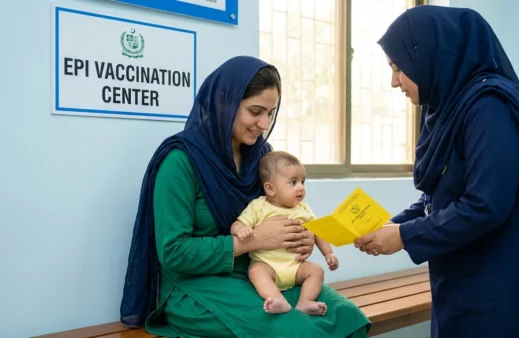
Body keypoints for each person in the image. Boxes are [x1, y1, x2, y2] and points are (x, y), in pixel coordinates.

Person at [353, 5, 519, 338]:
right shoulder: (447, 107)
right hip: (468, 280)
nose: (393, 82)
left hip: (509, 285)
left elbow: (485, 204)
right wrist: (395, 223)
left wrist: (403, 237)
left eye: (399, 68)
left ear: (429, 54)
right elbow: (441, 194)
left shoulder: (490, 106)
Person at [119, 56, 371, 338]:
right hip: (195, 287)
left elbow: (279, 211)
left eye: (271, 113)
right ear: (224, 104)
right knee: (297, 332)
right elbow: (173, 252)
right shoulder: (181, 161)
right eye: (255, 111)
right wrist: (255, 240)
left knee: (349, 320)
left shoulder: (261, 157)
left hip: (263, 275)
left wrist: (302, 239)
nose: (264, 123)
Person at [231, 150, 339, 316]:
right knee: (255, 272)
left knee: (317, 271)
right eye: (293, 182)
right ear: (270, 188)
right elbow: (237, 224)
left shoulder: (303, 209)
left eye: (303, 182)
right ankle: (277, 299)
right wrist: (241, 229)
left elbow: (318, 231)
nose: (301, 188)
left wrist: (328, 253)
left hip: (296, 267)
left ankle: (305, 302)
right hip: (268, 266)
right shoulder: (258, 206)